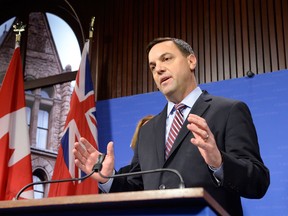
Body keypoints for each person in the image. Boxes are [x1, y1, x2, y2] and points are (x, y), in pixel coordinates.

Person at [73, 37, 270, 215]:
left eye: (166, 59)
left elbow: (258, 181)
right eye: (152, 66)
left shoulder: (228, 111)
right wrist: (109, 179)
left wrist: (219, 162)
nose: (158, 69)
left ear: (191, 61)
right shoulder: (148, 130)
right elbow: (138, 186)